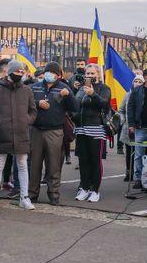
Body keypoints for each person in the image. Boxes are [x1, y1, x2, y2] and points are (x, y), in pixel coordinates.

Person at [0, 59, 37, 211]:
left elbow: (33, 111)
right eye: (17, 71)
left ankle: (24, 197)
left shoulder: (27, 90)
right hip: (3, 133)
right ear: (9, 72)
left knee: (22, 165)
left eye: (22, 72)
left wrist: (26, 121)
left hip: (21, 133)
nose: (20, 74)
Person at [29, 61, 77, 205]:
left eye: (53, 73)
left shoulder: (64, 87)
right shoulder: (35, 87)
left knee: (54, 165)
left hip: (55, 131)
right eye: (48, 72)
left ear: (58, 75)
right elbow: (26, 103)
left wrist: (68, 96)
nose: (49, 74)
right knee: (34, 164)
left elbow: (75, 107)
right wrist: (37, 103)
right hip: (36, 130)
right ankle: (32, 194)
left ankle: (54, 194)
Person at [73, 63, 111, 203]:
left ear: (98, 75)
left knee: (95, 160)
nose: (89, 76)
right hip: (81, 128)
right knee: (83, 160)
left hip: (96, 128)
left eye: (92, 73)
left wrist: (93, 94)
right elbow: (75, 105)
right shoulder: (81, 89)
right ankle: (84, 188)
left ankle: (95, 190)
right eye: (87, 73)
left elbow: (105, 105)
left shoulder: (104, 88)